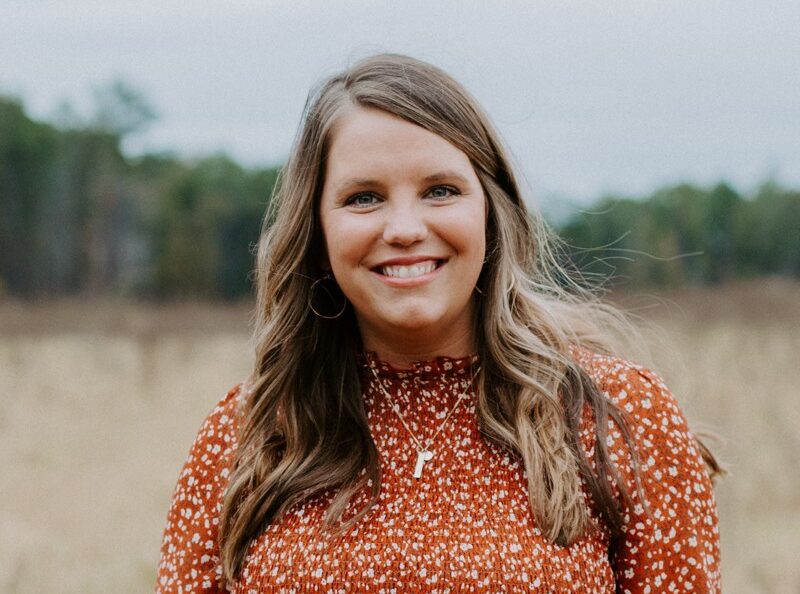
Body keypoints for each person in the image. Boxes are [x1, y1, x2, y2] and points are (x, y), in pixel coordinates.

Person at [155, 53, 722, 593]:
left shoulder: (617, 416)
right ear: (319, 235)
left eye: (441, 191)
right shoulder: (249, 434)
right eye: (364, 198)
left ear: (491, 215)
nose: (404, 228)